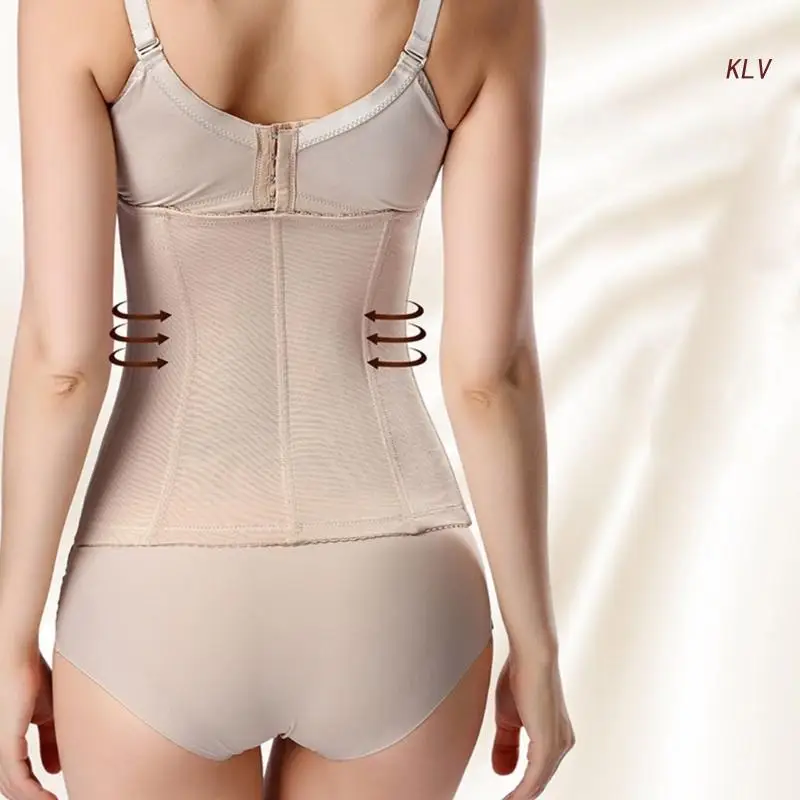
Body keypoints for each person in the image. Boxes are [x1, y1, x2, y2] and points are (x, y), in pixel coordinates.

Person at [0, 0, 575, 797]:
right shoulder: (488, 12)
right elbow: (490, 376)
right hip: (398, 595)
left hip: (154, 593)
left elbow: (63, 364)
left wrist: (9, 637)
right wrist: (536, 645)